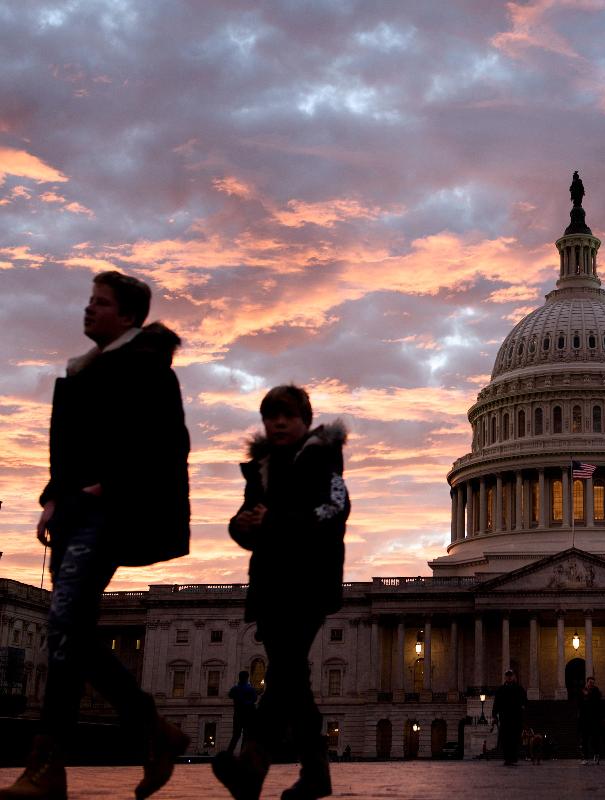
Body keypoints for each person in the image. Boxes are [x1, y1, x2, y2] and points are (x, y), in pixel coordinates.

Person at [1, 271, 191, 800]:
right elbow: (69, 448)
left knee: (64, 622)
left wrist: (110, 485)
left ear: (127, 316)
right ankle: (143, 731)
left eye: (100, 303)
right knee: (69, 631)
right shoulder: (83, 372)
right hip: (76, 510)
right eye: (88, 301)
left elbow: (168, 444)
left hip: (113, 510)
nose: (88, 310)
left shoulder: (149, 367)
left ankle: (50, 762)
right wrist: (53, 496)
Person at [212, 386, 349, 800]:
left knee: (287, 671)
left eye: (287, 415)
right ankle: (313, 772)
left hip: (309, 582)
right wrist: (243, 525)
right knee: (291, 678)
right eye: (271, 416)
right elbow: (247, 517)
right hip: (270, 584)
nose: (279, 423)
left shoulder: (322, 460)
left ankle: (254, 766)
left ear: (306, 420)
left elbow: (334, 510)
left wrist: (275, 521)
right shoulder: (262, 468)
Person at [491, 669, 527, 766]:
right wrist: (494, 715)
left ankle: (513, 758)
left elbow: (524, 701)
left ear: (514, 676)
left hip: (516, 717)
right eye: (507, 675)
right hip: (505, 717)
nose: (509, 677)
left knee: (514, 738)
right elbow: (496, 703)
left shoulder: (519, 689)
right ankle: (507, 758)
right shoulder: (501, 689)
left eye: (510, 675)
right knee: (506, 739)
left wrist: (523, 709)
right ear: (505, 677)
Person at [578, 676, 605, 765]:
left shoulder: (596, 692)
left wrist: (603, 718)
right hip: (585, 719)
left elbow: (598, 704)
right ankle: (584, 758)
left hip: (594, 719)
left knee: (595, 739)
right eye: (590, 682)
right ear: (587, 682)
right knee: (584, 740)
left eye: (593, 683)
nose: (591, 684)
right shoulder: (582, 692)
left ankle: (596, 755)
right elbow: (580, 705)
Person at [226, 670, 257, 754]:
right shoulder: (250, 689)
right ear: (247, 678)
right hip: (248, 715)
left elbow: (229, 695)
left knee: (235, 736)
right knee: (246, 736)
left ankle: (229, 754)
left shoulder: (235, 688)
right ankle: (242, 754)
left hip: (238, 714)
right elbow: (254, 699)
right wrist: (247, 702)